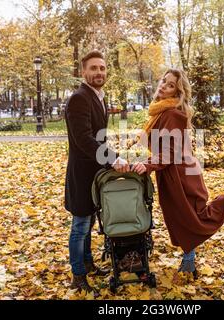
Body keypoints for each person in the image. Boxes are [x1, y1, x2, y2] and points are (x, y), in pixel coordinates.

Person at [120, 69, 224, 278]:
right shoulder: (161, 111)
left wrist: (147, 165)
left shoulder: (172, 113)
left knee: (195, 218)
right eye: (163, 81)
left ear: (178, 91)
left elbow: (170, 152)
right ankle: (189, 262)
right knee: (181, 218)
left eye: (170, 85)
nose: (163, 86)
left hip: (181, 175)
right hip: (172, 173)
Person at [64, 50, 129, 295]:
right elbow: (84, 139)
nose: (99, 72)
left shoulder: (99, 97)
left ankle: (88, 263)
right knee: (80, 225)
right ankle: (78, 274)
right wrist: (113, 159)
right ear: (83, 72)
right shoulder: (79, 98)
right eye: (93, 68)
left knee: (90, 220)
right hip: (82, 175)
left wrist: (113, 155)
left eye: (102, 68)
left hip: (95, 173)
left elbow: (98, 138)